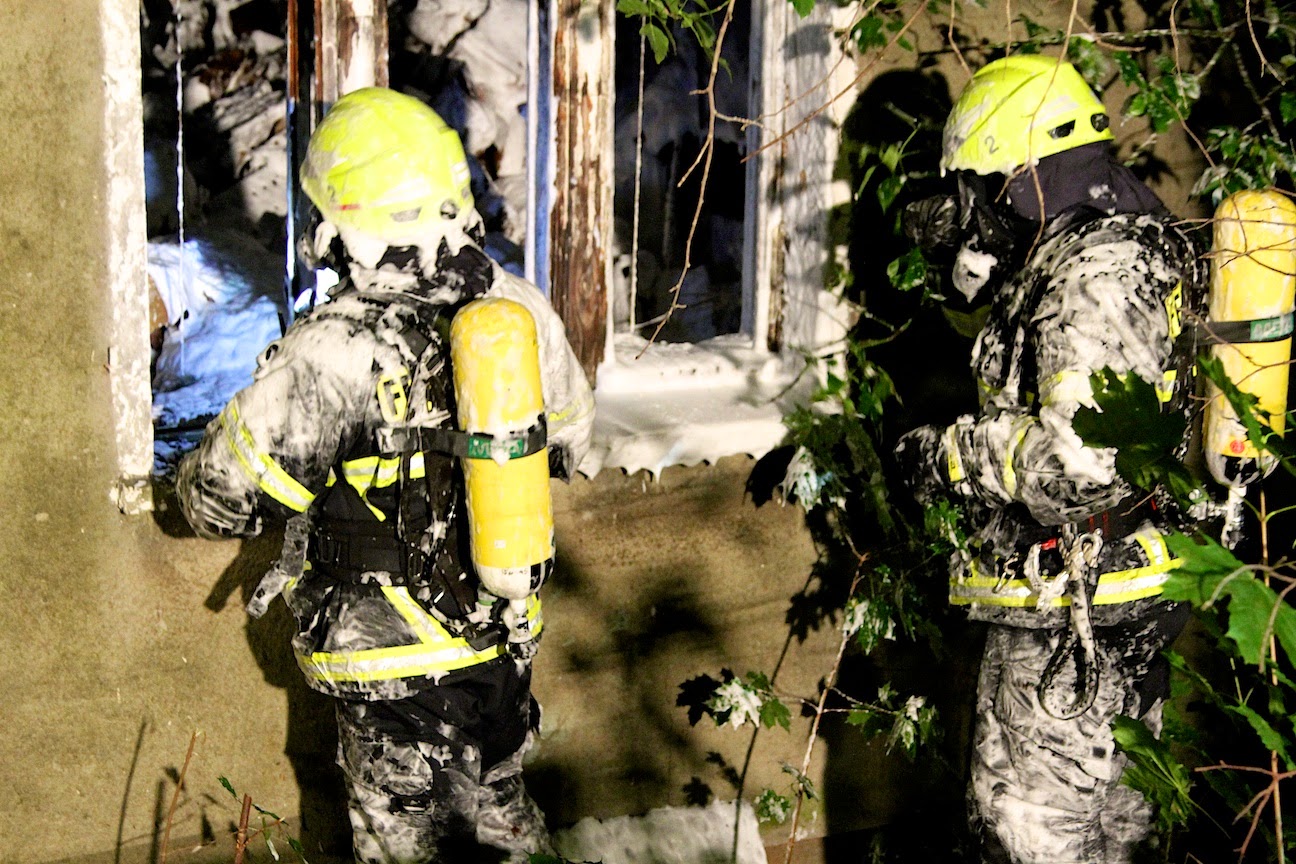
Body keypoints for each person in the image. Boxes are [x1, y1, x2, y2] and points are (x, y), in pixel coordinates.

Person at [176, 87, 594, 864]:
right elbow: (571, 437)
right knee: (504, 833)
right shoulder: (516, 311)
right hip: (500, 647)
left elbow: (223, 498)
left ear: (343, 219)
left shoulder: (336, 348)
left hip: (394, 666)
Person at [893, 55, 1206, 863]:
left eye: (978, 192)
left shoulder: (1095, 279)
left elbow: (1080, 464)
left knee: (1027, 836)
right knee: (1107, 837)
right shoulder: (1102, 249)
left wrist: (954, 454)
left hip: (1079, 616)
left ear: (1020, 175)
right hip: (1106, 604)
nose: (973, 216)